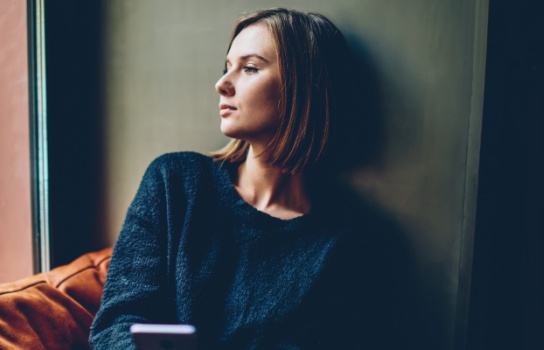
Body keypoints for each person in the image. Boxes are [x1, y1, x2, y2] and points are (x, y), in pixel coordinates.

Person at [90, 8, 415, 349]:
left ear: (302, 87)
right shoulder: (175, 183)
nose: (222, 84)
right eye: (226, 67)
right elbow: (116, 324)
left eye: (249, 68)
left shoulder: (349, 245)